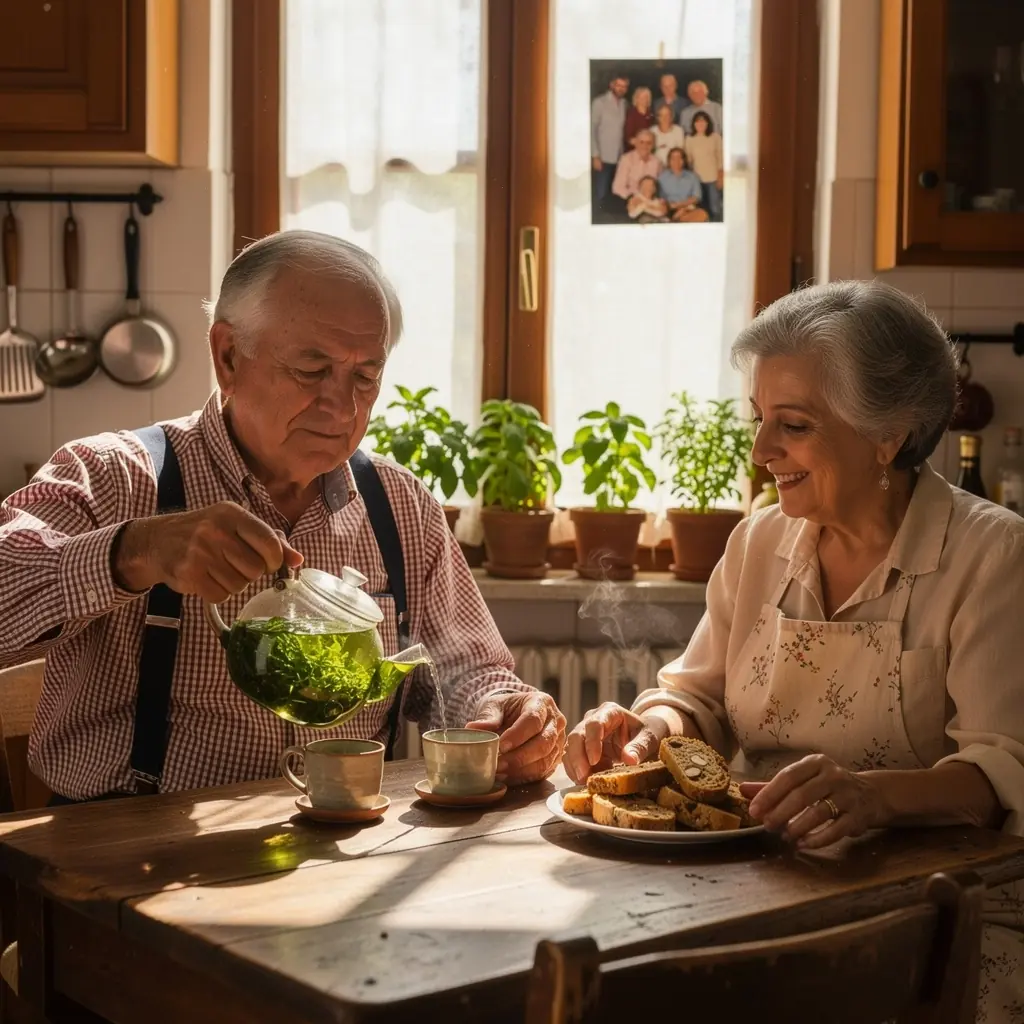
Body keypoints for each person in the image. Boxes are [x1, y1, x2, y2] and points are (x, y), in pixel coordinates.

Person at [563, 281, 1024, 1023]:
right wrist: (654, 732)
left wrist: (874, 796)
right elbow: (699, 697)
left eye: (794, 425)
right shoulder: (759, 540)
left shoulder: (992, 554)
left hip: (930, 912)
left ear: (890, 434)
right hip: (755, 888)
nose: (760, 451)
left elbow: (1000, 772)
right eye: (759, 421)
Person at [0, 231, 566, 802]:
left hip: (341, 839)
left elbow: (467, 670)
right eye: (311, 369)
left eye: (364, 377)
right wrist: (134, 552)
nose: (341, 407)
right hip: (126, 844)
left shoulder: (400, 506)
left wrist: (506, 709)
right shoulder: (114, 476)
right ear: (228, 357)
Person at [591, 73, 629, 220]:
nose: (621, 89)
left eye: (624, 87)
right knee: (601, 189)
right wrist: (595, 155)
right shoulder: (599, 103)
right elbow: (592, 129)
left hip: (619, 155)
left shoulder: (624, 104)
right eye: (618, 85)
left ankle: (612, 218)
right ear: (611, 85)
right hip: (603, 155)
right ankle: (599, 218)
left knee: (614, 190)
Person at [684, 111, 724, 222]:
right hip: (697, 180)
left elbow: (720, 157)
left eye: (703, 121)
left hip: (713, 178)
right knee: (701, 210)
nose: (700, 124)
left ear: (708, 123)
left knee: (715, 208)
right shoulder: (689, 139)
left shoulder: (715, 137)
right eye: (697, 122)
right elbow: (688, 160)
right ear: (693, 124)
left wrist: (721, 176)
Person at [611, 129, 662, 211]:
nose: (645, 146)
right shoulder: (627, 159)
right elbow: (617, 187)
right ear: (636, 143)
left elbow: (657, 186)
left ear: (653, 145)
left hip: (650, 202)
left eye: (649, 143)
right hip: (630, 200)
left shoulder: (657, 162)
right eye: (641, 142)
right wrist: (632, 198)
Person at [657, 147, 708, 222]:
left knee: (702, 214)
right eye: (673, 158)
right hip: (668, 209)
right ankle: (675, 219)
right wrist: (668, 206)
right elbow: (659, 197)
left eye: (679, 158)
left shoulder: (692, 177)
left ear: (684, 160)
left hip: (687, 208)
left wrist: (680, 206)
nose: (676, 161)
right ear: (669, 161)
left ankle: (677, 219)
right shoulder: (662, 177)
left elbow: (696, 197)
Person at [623, 86, 654, 153]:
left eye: (646, 97)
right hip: (633, 150)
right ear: (636, 99)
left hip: (649, 151)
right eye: (641, 97)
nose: (644, 100)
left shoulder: (651, 114)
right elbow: (628, 137)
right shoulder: (631, 113)